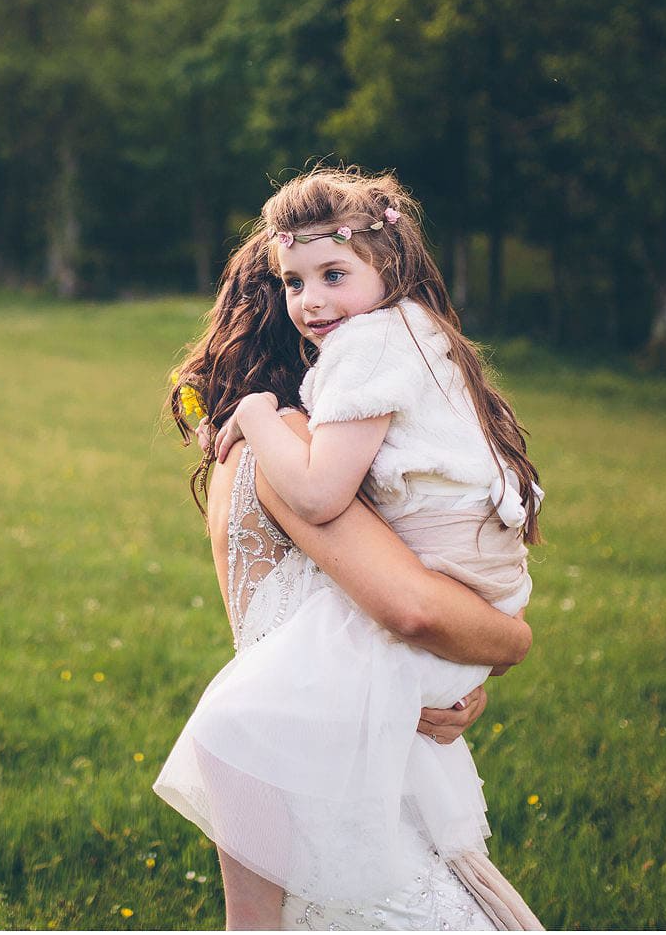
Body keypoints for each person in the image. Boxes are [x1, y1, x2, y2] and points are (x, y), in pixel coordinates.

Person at [156, 167, 545, 930]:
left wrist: (445, 681)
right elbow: (409, 605)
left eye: (334, 275)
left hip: (325, 745)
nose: (314, 303)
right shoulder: (289, 444)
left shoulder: (276, 442)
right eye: (295, 284)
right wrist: (510, 642)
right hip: (320, 767)